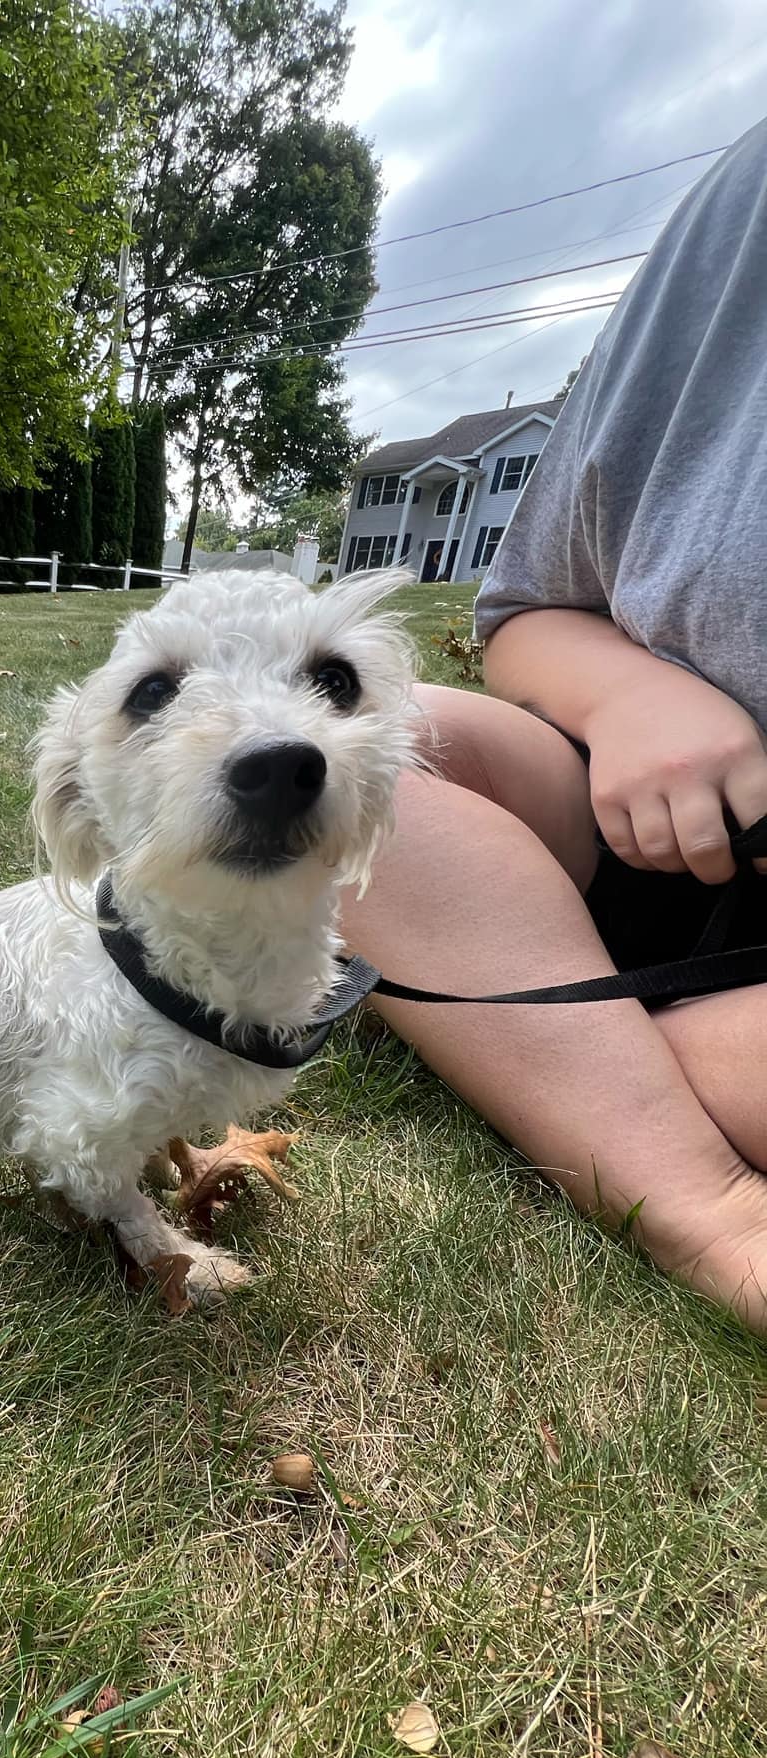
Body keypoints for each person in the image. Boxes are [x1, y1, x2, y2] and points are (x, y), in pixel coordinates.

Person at [341, 115, 767, 1330]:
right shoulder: (742, 202)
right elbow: (529, 607)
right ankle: (678, 1148)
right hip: (644, 830)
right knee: (368, 748)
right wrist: (631, 692)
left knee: (597, 1049)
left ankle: (637, 1120)